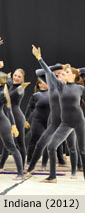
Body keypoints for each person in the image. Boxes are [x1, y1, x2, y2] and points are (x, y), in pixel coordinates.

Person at [31, 45, 85, 182]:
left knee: (82, 150)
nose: (63, 74)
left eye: (66, 72)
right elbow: (48, 72)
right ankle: (52, 177)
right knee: (51, 146)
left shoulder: (80, 88)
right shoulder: (60, 86)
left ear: (73, 75)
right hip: (65, 122)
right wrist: (39, 57)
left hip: (79, 121)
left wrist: (77, 70)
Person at [26, 65, 78, 178]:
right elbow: (40, 71)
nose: (58, 74)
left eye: (62, 73)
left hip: (68, 123)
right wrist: (57, 67)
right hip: (55, 123)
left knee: (72, 147)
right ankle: (30, 169)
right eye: (57, 73)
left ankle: (74, 172)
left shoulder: (72, 88)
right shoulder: (52, 86)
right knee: (40, 144)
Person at [0, 69, 29, 169]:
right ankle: (1, 165)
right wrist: (7, 78)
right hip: (9, 116)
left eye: (19, 77)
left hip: (17, 117)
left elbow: (9, 96)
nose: (16, 78)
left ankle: (22, 167)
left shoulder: (20, 88)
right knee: (8, 142)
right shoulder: (10, 83)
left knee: (20, 143)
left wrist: (20, 88)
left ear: (22, 79)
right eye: (15, 75)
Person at [24, 77, 50, 167]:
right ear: (40, 84)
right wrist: (26, 120)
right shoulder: (36, 95)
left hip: (49, 121)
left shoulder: (53, 94)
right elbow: (29, 108)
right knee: (34, 140)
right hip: (37, 121)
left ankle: (44, 162)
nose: (47, 83)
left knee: (48, 142)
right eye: (44, 82)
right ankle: (29, 160)